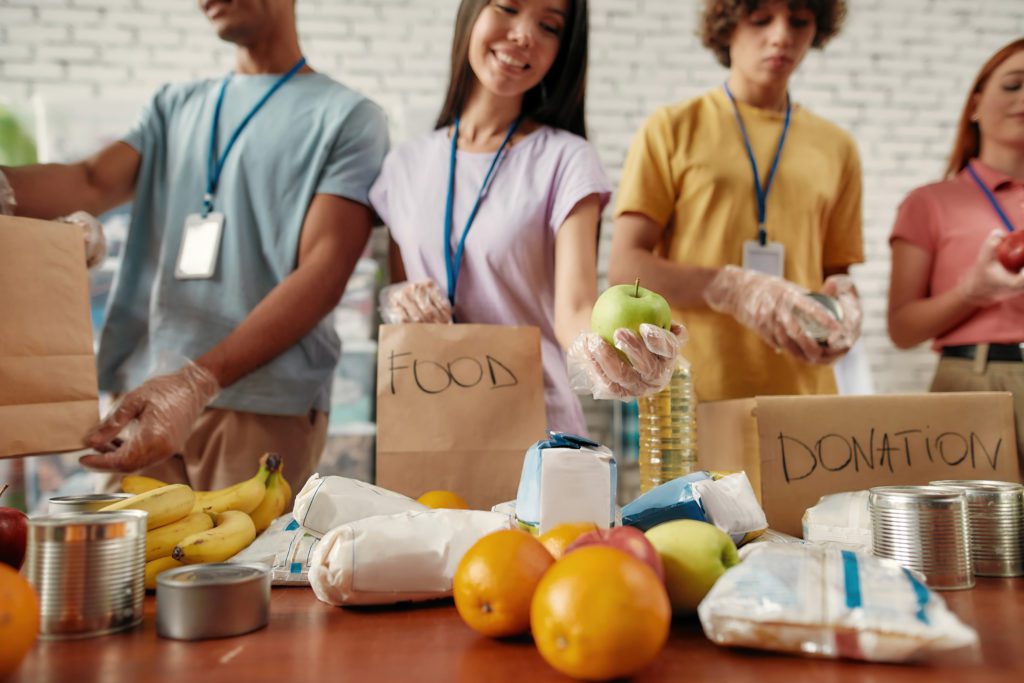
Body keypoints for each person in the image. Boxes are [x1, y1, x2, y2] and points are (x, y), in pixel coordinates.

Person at [0, 0, 389, 495]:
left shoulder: (348, 117)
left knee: (242, 570)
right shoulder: (174, 106)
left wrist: (196, 382)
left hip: (261, 403)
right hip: (142, 394)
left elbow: (324, 269)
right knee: (127, 569)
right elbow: (91, 180)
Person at [370, 0, 683, 437]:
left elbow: (572, 309)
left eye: (550, 26)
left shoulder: (567, 159)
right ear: (471, 12)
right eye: (508, 7)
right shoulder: (404, 165)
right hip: (431, 423)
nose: (524, 34)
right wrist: (400, 298)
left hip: (536, 425)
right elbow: (400, 291)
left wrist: (610, 359)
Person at [607, 0, 864, 405]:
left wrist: (845, 307)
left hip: (805, 398)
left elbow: (834, 273)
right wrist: (731, 287)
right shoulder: (672, 128)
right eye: (760, 19)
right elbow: (625, 268)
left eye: (799, 21)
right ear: (727, 27)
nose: (781, 36)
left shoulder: (837, 146)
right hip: (693, 399)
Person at [888, 38, 1024, 469]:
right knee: (975, 533)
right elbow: (903, 329)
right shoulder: (929, 202)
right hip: (975, 379)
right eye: (1014, 84)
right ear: (975, 105)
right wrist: (973, 292)